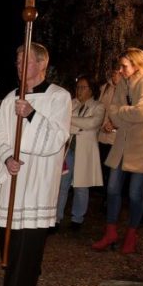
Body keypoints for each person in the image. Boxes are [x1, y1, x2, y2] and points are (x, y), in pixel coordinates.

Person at [0, 43, 71, 286]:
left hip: (38, 178)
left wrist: (32, 114)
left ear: (42, 64)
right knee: (8, 232)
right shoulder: (9, 99)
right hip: (14, 176)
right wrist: (6, 158)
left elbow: (58, 137)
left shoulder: (59, 97)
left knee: (28, 237)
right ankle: (27, 272)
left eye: (26, 60)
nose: (19, 66)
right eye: (17, 61)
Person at [93, 48, 143, 255]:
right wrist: (124, 115)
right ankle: (110, 232)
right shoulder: (124, 82)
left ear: (137, 64)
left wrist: (122, 114)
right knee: (112, 189)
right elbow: (113, 110)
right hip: (123, 144)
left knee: (135, 193)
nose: (120, 70)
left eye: (124, 66)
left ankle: (131, 235)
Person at [56, 75, 104, 229]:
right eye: (78, 87)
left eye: (83, 87)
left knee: (81, 186)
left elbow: (92, 123)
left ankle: (77, 219)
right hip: (69, 150)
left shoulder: (98, 106)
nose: (79, 90)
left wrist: (70, 120)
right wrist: (79, 126)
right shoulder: (72, 104)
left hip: (85, 152)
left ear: (91, 90)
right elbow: (62, 123)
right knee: (62, 184)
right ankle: (56, 218)